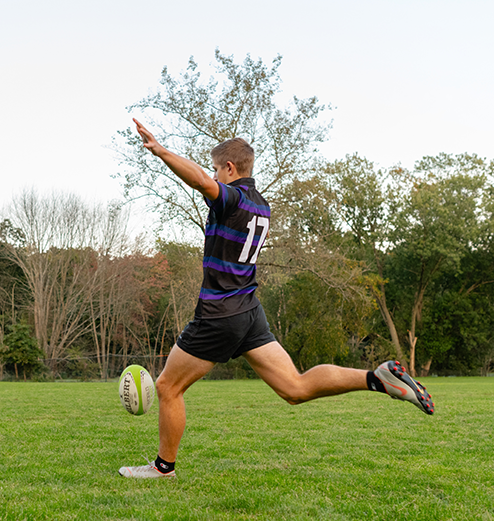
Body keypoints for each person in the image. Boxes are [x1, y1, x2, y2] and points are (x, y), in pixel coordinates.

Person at [119, 119, 434, 479]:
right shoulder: (261, 205)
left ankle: (163, 469)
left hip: (220, 312)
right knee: (294, 388)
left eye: (217, 169)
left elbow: (201, 183)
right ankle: (375, 379)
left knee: (167, 386)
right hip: (250, 311)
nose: (214, 175)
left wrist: (160, 151)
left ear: (230, 168)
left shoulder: (233, 199)